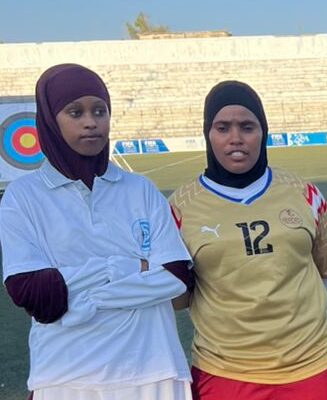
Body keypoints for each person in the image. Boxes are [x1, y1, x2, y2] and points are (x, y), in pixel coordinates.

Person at [1, 63, 193, 399]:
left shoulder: (141, 190)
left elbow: (177, 277)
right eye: (75, 112)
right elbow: (35, 293)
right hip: (66, 377)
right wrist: (130, 267)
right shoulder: (22, 197)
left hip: (154, 371)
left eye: (100, 111)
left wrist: (86, 298)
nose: (91, 122)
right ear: (50, 121)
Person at [168, 81, 327, 400]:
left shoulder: (304, 193)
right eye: (222, 128)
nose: (235, 138)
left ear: (263, 132)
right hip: (226, 374)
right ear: (208, 133)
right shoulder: (179, 208)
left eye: (247, 127)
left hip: (315, 366)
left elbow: (323, 271)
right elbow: (178, 297)